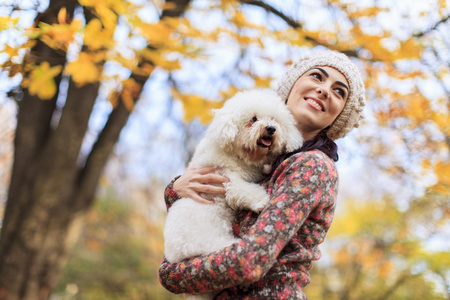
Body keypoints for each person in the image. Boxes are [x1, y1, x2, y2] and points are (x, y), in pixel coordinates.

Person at [158, 50, 366, 299]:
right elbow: (208, 210)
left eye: (339, 91)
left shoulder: (311, 166)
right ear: (292, 85)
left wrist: (171, 274)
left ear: (338, 116)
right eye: (317, 76)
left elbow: (251, 261)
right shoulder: (263, 164)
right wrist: (175, 189)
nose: (324, 90)